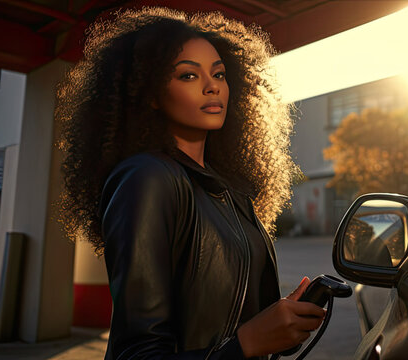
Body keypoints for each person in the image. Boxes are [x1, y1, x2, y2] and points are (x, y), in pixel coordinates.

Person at [56, 7, 325, 359]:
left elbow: (237, 320)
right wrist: (247, 344)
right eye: (188, 76)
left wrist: (280, 324)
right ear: (150, 93)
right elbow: (138, 354)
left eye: (219, 73)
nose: (212, 85)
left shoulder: (233, 193)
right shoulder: (147, 178)